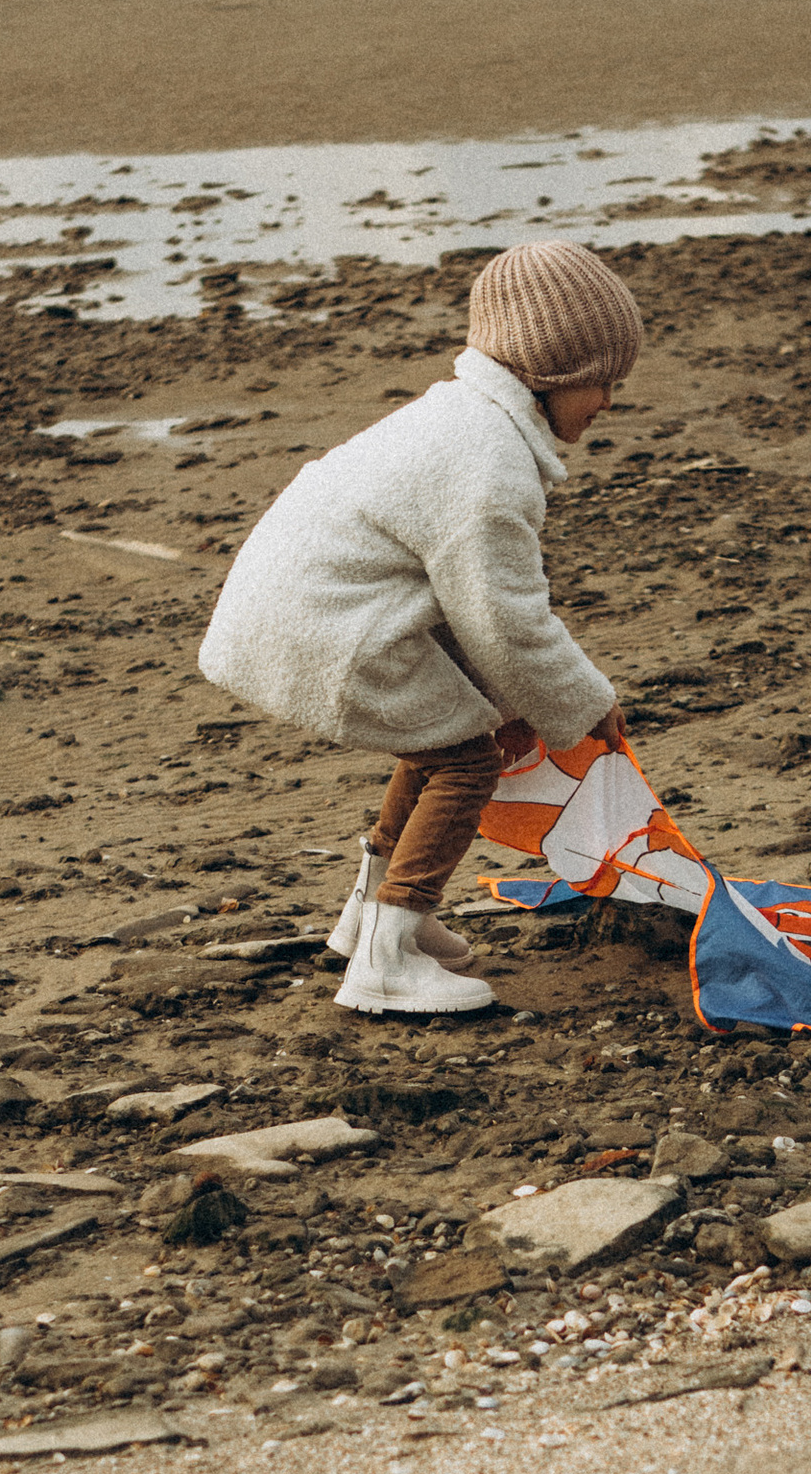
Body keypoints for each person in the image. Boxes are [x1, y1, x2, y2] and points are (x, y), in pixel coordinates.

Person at [197, 240, 640, 1014]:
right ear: (551, 375)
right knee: (467, 762)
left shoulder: (463, 422)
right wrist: (584, 707)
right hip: (326, 630)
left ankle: (372, 915)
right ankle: (385, 958)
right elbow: (504, 620)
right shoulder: (486, 464)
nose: (609, 402)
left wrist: (524, 701)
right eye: (605, 382)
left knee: (447, 733)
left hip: (305, 614)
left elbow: (474, 615)